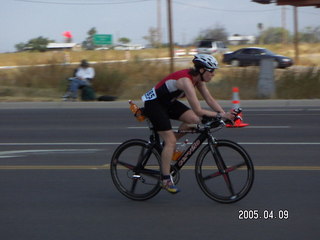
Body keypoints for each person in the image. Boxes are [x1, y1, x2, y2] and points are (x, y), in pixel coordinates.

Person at [141, 54, 236, 194]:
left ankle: (167, 146)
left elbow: (209, 99)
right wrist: (220, 115)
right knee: (172, 139)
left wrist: (224, 114)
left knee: (194, 120)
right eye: (211, 71)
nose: (214, 74)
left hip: (168, 102)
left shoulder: (198, 80)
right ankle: (165, 180)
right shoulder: (186, 81)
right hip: (154, 104)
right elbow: (198, 109)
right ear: (202, 70)